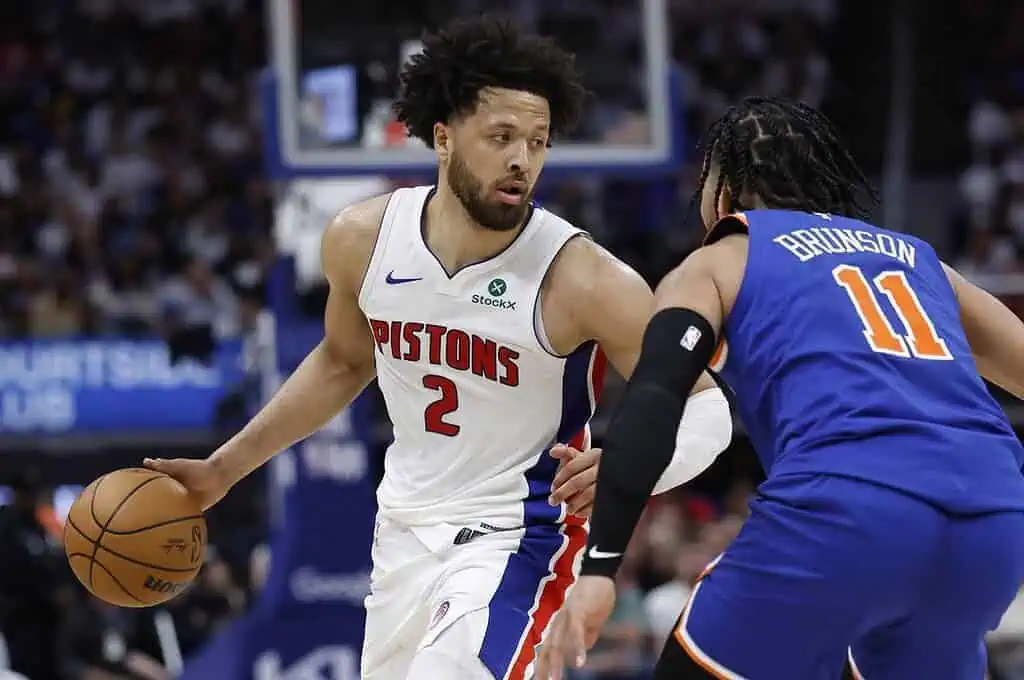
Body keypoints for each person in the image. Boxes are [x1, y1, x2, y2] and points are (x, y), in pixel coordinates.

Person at [144, 16, 732, 680]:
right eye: (502, 137)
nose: (521, 160)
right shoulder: (363, 239)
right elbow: (342, 363)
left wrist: (635, 466)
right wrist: (223, 470)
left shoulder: (582, 277)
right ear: (444, 138)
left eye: (537, 143)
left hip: (519, 535)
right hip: (403, 534)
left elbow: (709, 406)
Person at [538, 96, 1024, 680]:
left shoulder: (721, 259)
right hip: (994, 518)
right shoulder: (921, 262)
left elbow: (657, 396)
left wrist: (600, 568)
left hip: (848, 507)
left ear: (723, 193)